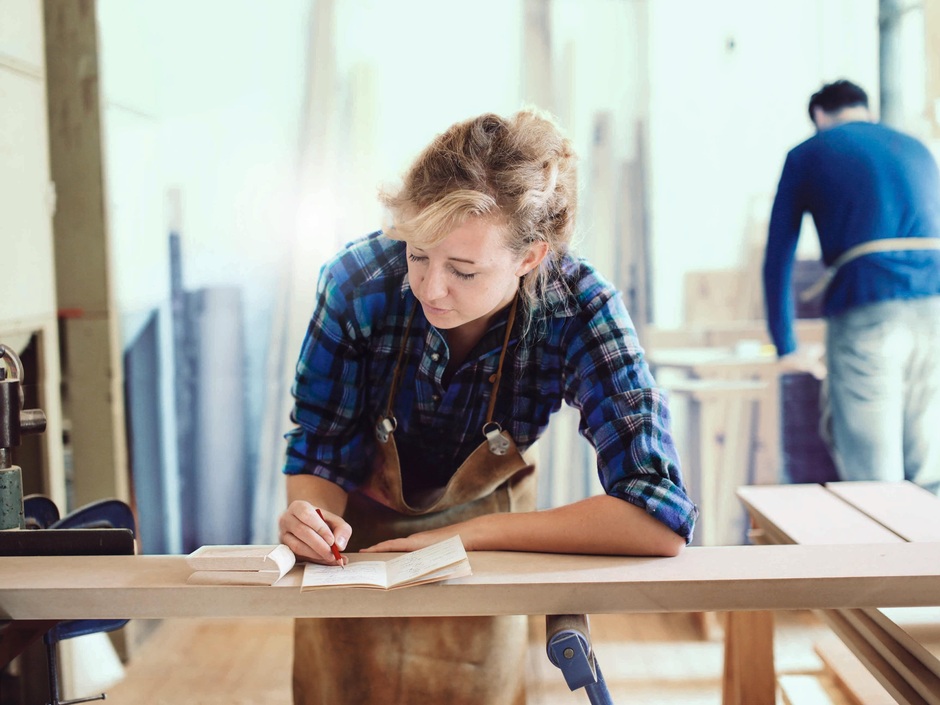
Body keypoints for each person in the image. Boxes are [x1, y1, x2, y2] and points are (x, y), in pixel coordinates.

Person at [278, 108, 697, 705]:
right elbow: (320, 450)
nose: (429, 288)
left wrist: (466, 537)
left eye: (464, 270)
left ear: (530, 258)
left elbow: (657, 516)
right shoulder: (356, 282)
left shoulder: (578, 306)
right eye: (418, 255)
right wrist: (309, 517)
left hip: (492, 544)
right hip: (359, 545)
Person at [763, 79, 940, 493]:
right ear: (867, 111)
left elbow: (778, 256)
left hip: (868, 305)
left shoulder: (809, 152)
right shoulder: (916, 147)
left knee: (875, 479)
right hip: (935, 306)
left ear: (820, 117)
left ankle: (889, 559)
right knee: (930, 466)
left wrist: (785, 344)